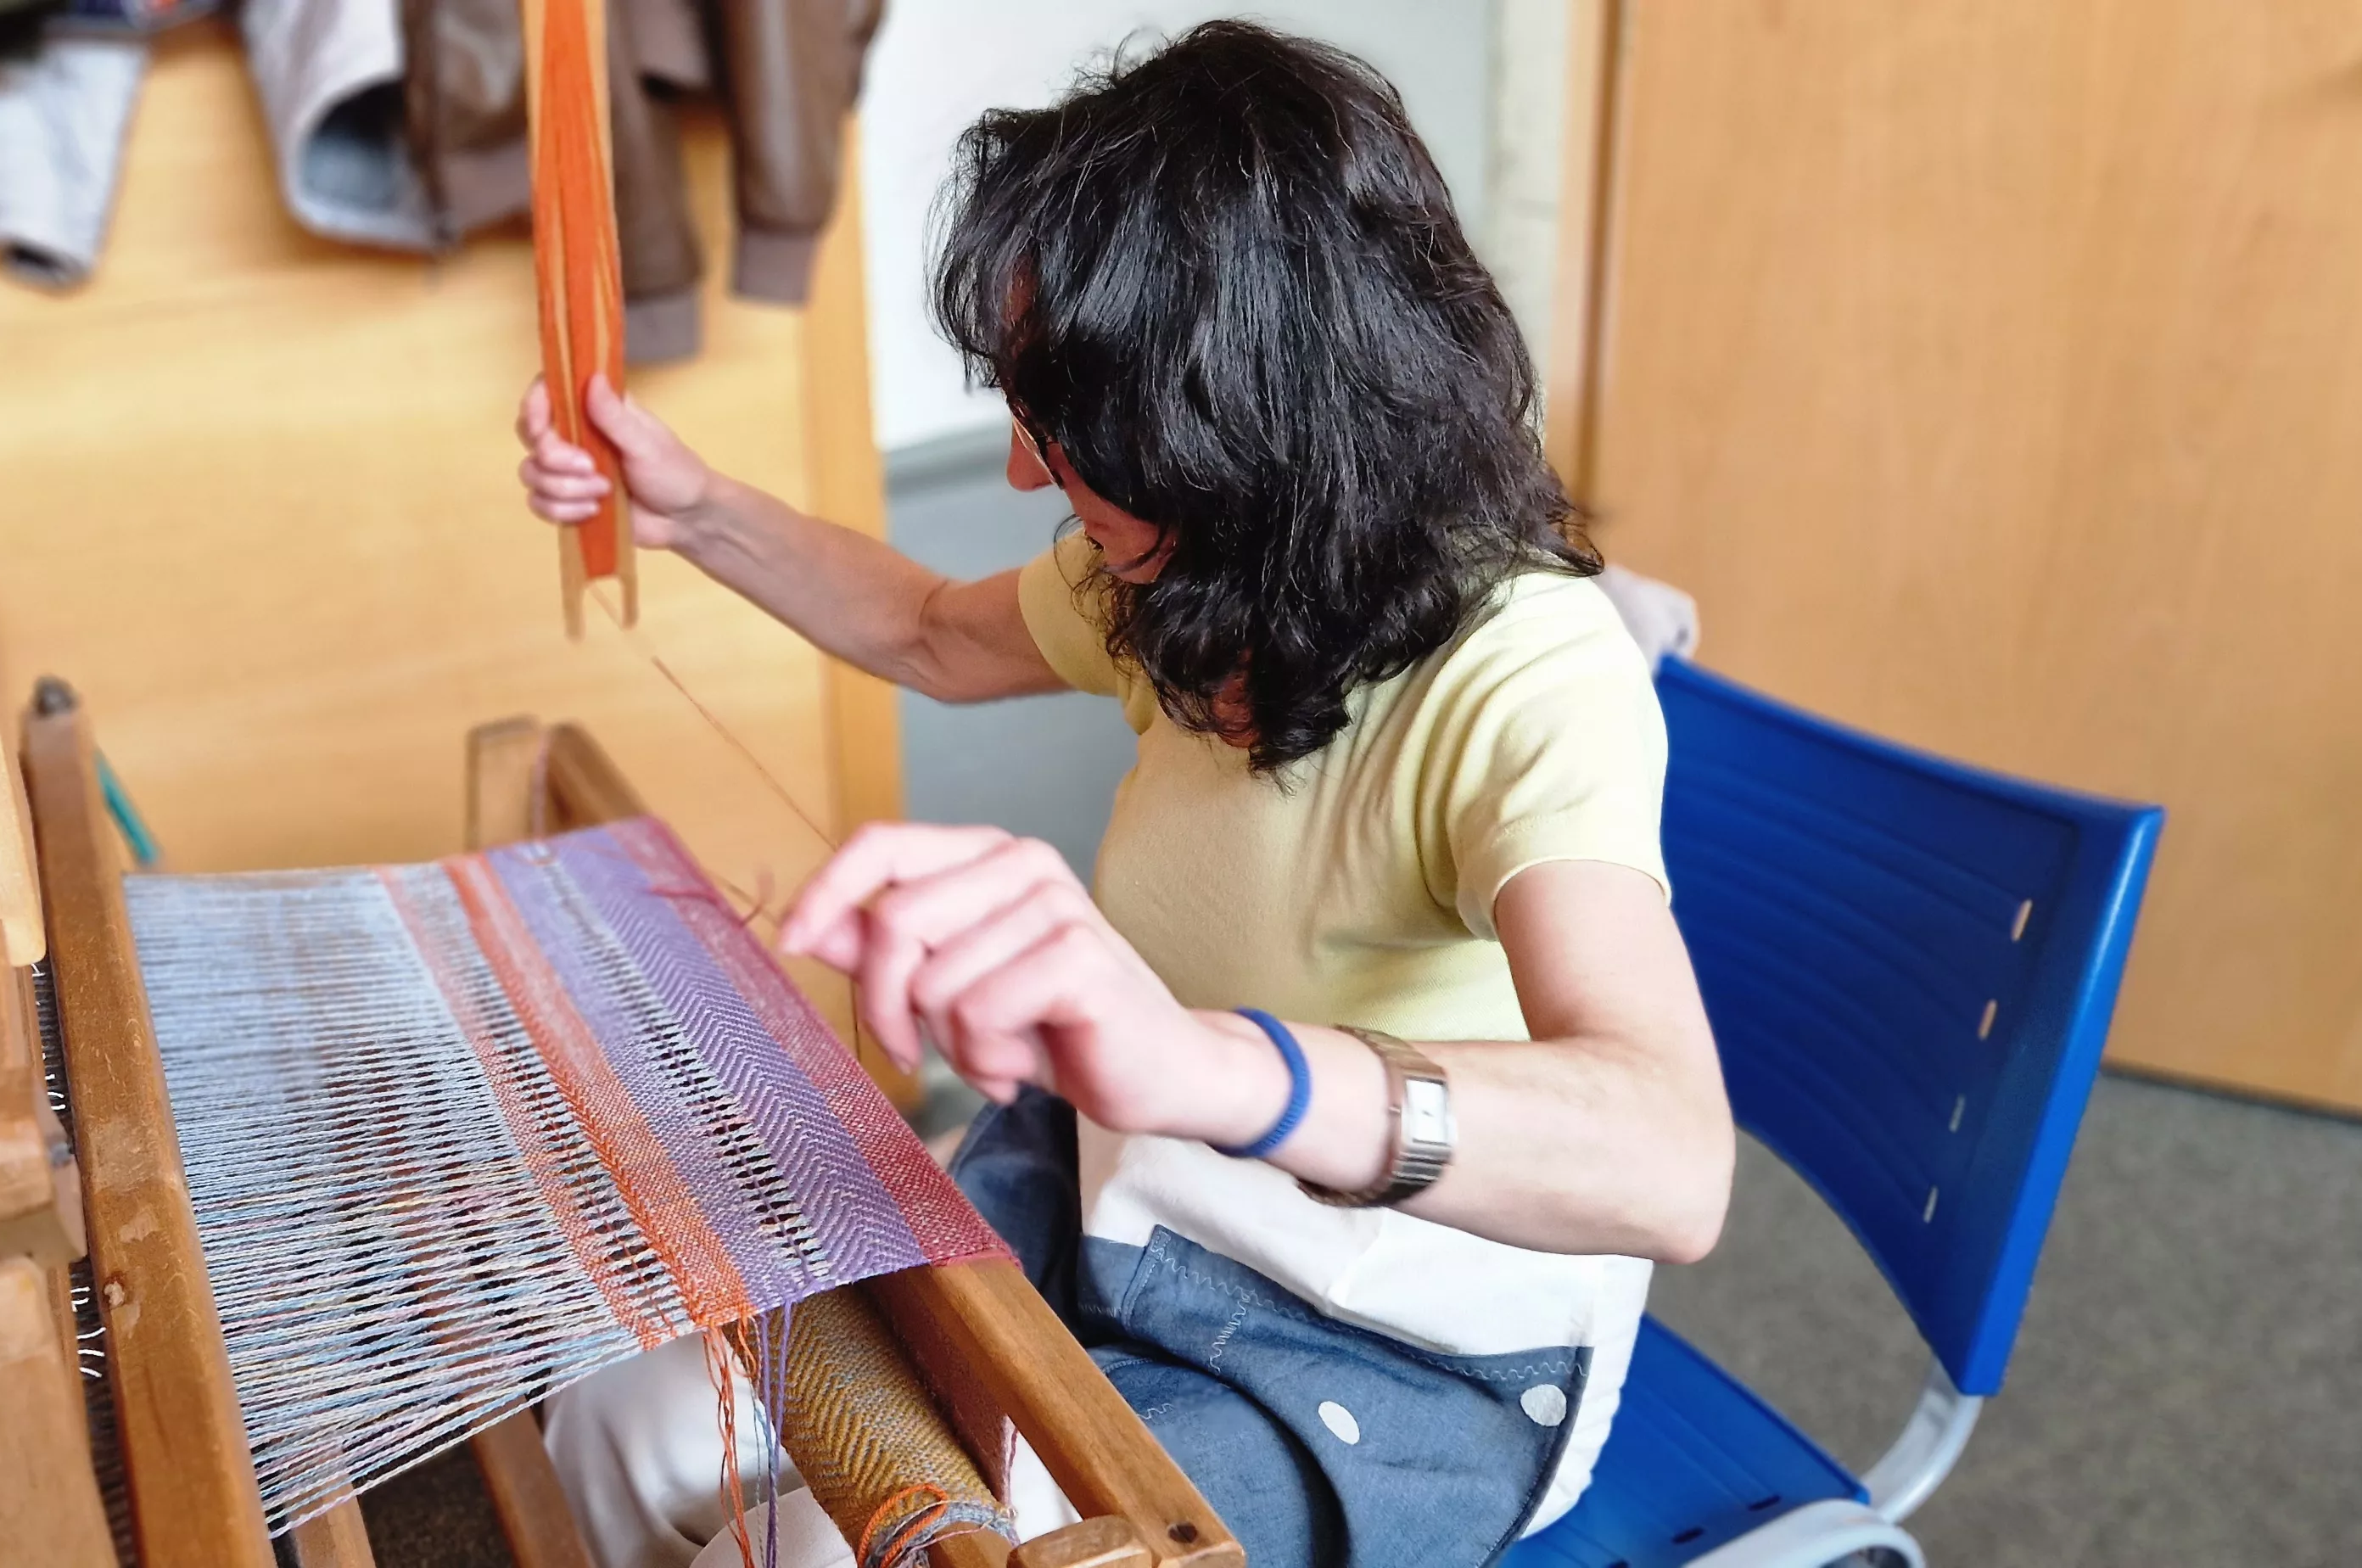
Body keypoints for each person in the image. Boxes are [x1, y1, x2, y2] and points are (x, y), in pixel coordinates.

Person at [511, 21, 1732, 1568]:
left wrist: (1218, 1068)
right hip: (1142, 1203)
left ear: (1239, 415)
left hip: (1392, 1333)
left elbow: (1672, 1161)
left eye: (1068, 427)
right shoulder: (1179, 582)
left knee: (840, 1552)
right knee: (629, 1417)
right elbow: (925, 630)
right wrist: (694, 511)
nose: (1025, 475)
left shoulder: (1527, 672)